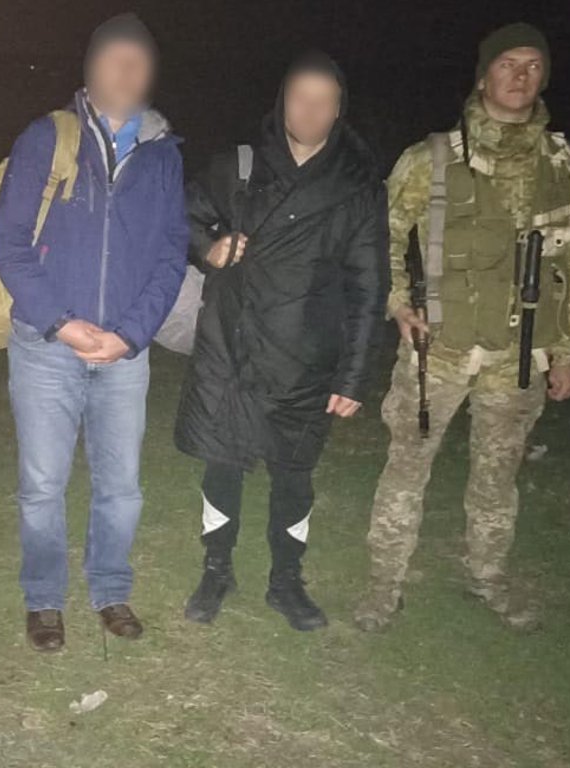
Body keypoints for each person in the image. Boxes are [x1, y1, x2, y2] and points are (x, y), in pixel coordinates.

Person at [353, 23, 570, 633]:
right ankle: (383, 589)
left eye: (533, 66)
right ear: (484, 75)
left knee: (498, 477)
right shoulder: (432, 158)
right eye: (508, 64)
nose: (520, 76)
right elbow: (381, 235)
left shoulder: (565, 167)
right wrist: (398, 303)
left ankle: (487, 579)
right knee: (406, 469)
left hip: (520, 356)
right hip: (437, 350)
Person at [0, 13, 189, 653]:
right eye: (114, 58)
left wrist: (131, 335)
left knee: (122, 488)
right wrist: (62, 322)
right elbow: (9, 244)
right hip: (47, 347)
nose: (127, 71)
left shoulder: (162, 153)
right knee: (42, 486)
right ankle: (44, 598)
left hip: (123, 355)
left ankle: (110, 589)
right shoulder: (46, 138)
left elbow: (171, 254)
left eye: (139, 60)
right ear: (90, 67)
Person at [175, 52, 389, 631]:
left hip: (306, 357)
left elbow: (369, 286)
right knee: (222, 463)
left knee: (294, 474)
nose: (311, 110)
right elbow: (180, 216)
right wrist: (210, 246)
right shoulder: (240, 165)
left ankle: (286, 580)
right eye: (300, 97)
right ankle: (217, 569)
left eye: (325, 100)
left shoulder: (357, 185)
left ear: (339, 109)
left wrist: (352, 377)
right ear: (282, 101)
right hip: (232, 347)